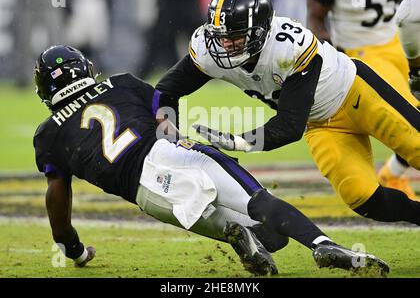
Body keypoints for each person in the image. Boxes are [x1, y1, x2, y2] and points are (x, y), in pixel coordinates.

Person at [33, 45, 389, 276]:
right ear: (86, 69)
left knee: (266, 239)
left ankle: (241, 235)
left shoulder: (49, 134)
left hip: (149, 198)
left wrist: (72, 248)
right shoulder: (120, 83)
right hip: (171, 157)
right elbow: (162, 106)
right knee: (260, 201)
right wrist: (172, 129)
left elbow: (58, 200)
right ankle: (323, 246)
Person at [155, 0, 420, 228]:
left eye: (234, 36)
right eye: (219, 35)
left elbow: (288, 126)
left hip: (357, 94)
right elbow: (166, 92)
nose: (224, 44)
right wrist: (167, 138)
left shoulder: (288, 48)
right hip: (320, 125)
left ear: (259, 32)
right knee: (362, 197)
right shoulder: (209, 50)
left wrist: (240, 141)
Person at [306, 0, 418, 199]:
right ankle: (393, 176)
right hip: (361, 53)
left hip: (399, 41)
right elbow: (316, 17)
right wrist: (329, 56)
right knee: (411, 118)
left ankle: (391, 173)